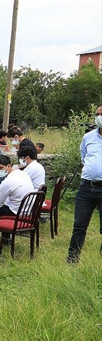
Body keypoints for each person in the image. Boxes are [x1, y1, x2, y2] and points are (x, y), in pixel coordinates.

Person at [66, 104, 102, 264]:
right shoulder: (88, 137)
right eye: (97, 114)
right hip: (86, 187)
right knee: (79, 225)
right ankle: (72, 259)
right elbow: (84, 157)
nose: (99, 117)